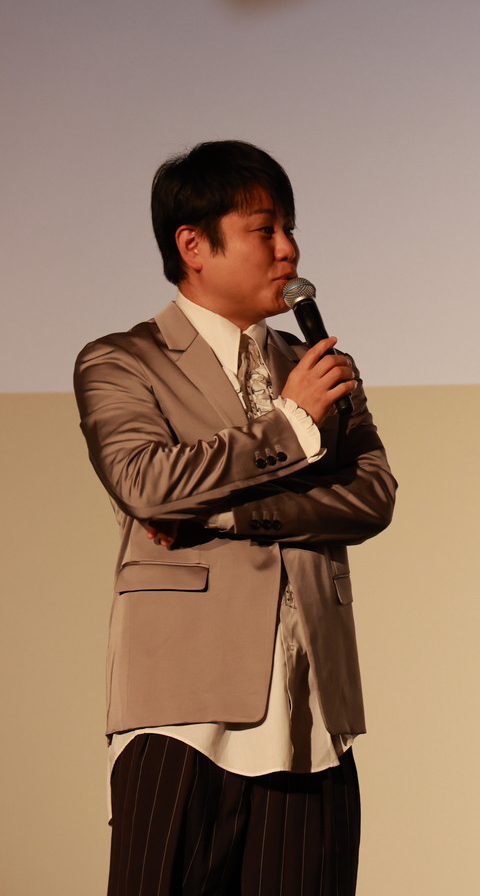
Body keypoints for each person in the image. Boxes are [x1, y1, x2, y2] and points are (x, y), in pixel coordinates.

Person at [74, 140, 396, 895]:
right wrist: (291, 423)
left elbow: (371, 495)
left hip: (312, 714)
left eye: (291, 228)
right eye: (265, 229)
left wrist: (225, 518)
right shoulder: (121, 360)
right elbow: (147, 483)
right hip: (182, 712)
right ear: (194, 246)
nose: (289, 249)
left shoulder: (314, 364)